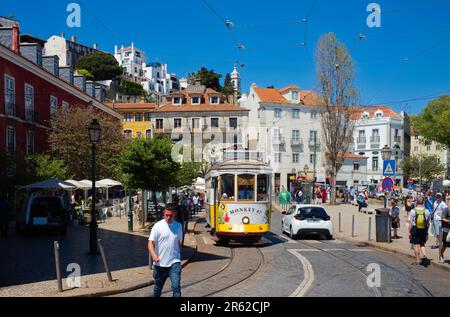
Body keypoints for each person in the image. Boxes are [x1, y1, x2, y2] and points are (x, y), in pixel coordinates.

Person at [148, 204, 184, 297]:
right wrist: (154, 256)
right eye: (166, 215)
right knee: (158, 287)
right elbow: (150, 243)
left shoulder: (178, 226)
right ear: (164, 213)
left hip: (174, 263)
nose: (168, 217)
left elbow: (179, 242)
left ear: (175, 214)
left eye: (170, 216)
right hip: (159, 263)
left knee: (176, 287)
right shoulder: (157, 226)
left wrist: (178, 256)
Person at [409, 196, 431, 266]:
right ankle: (424, 255)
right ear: (423, 202)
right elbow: (428, 223)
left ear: (416, 202)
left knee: (415, 244)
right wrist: (427, 231)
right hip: (424, 229)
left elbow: (410, 223)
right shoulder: (427, 211)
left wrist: (409, 232)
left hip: (415, 228)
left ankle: (418, 261)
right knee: (422, 244)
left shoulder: (413, 211)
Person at [438, 195, 450, 263]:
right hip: (446, 230)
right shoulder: (446, 209)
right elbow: (442, 218)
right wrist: (448, 221)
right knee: (445, 244)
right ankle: (441, 255)